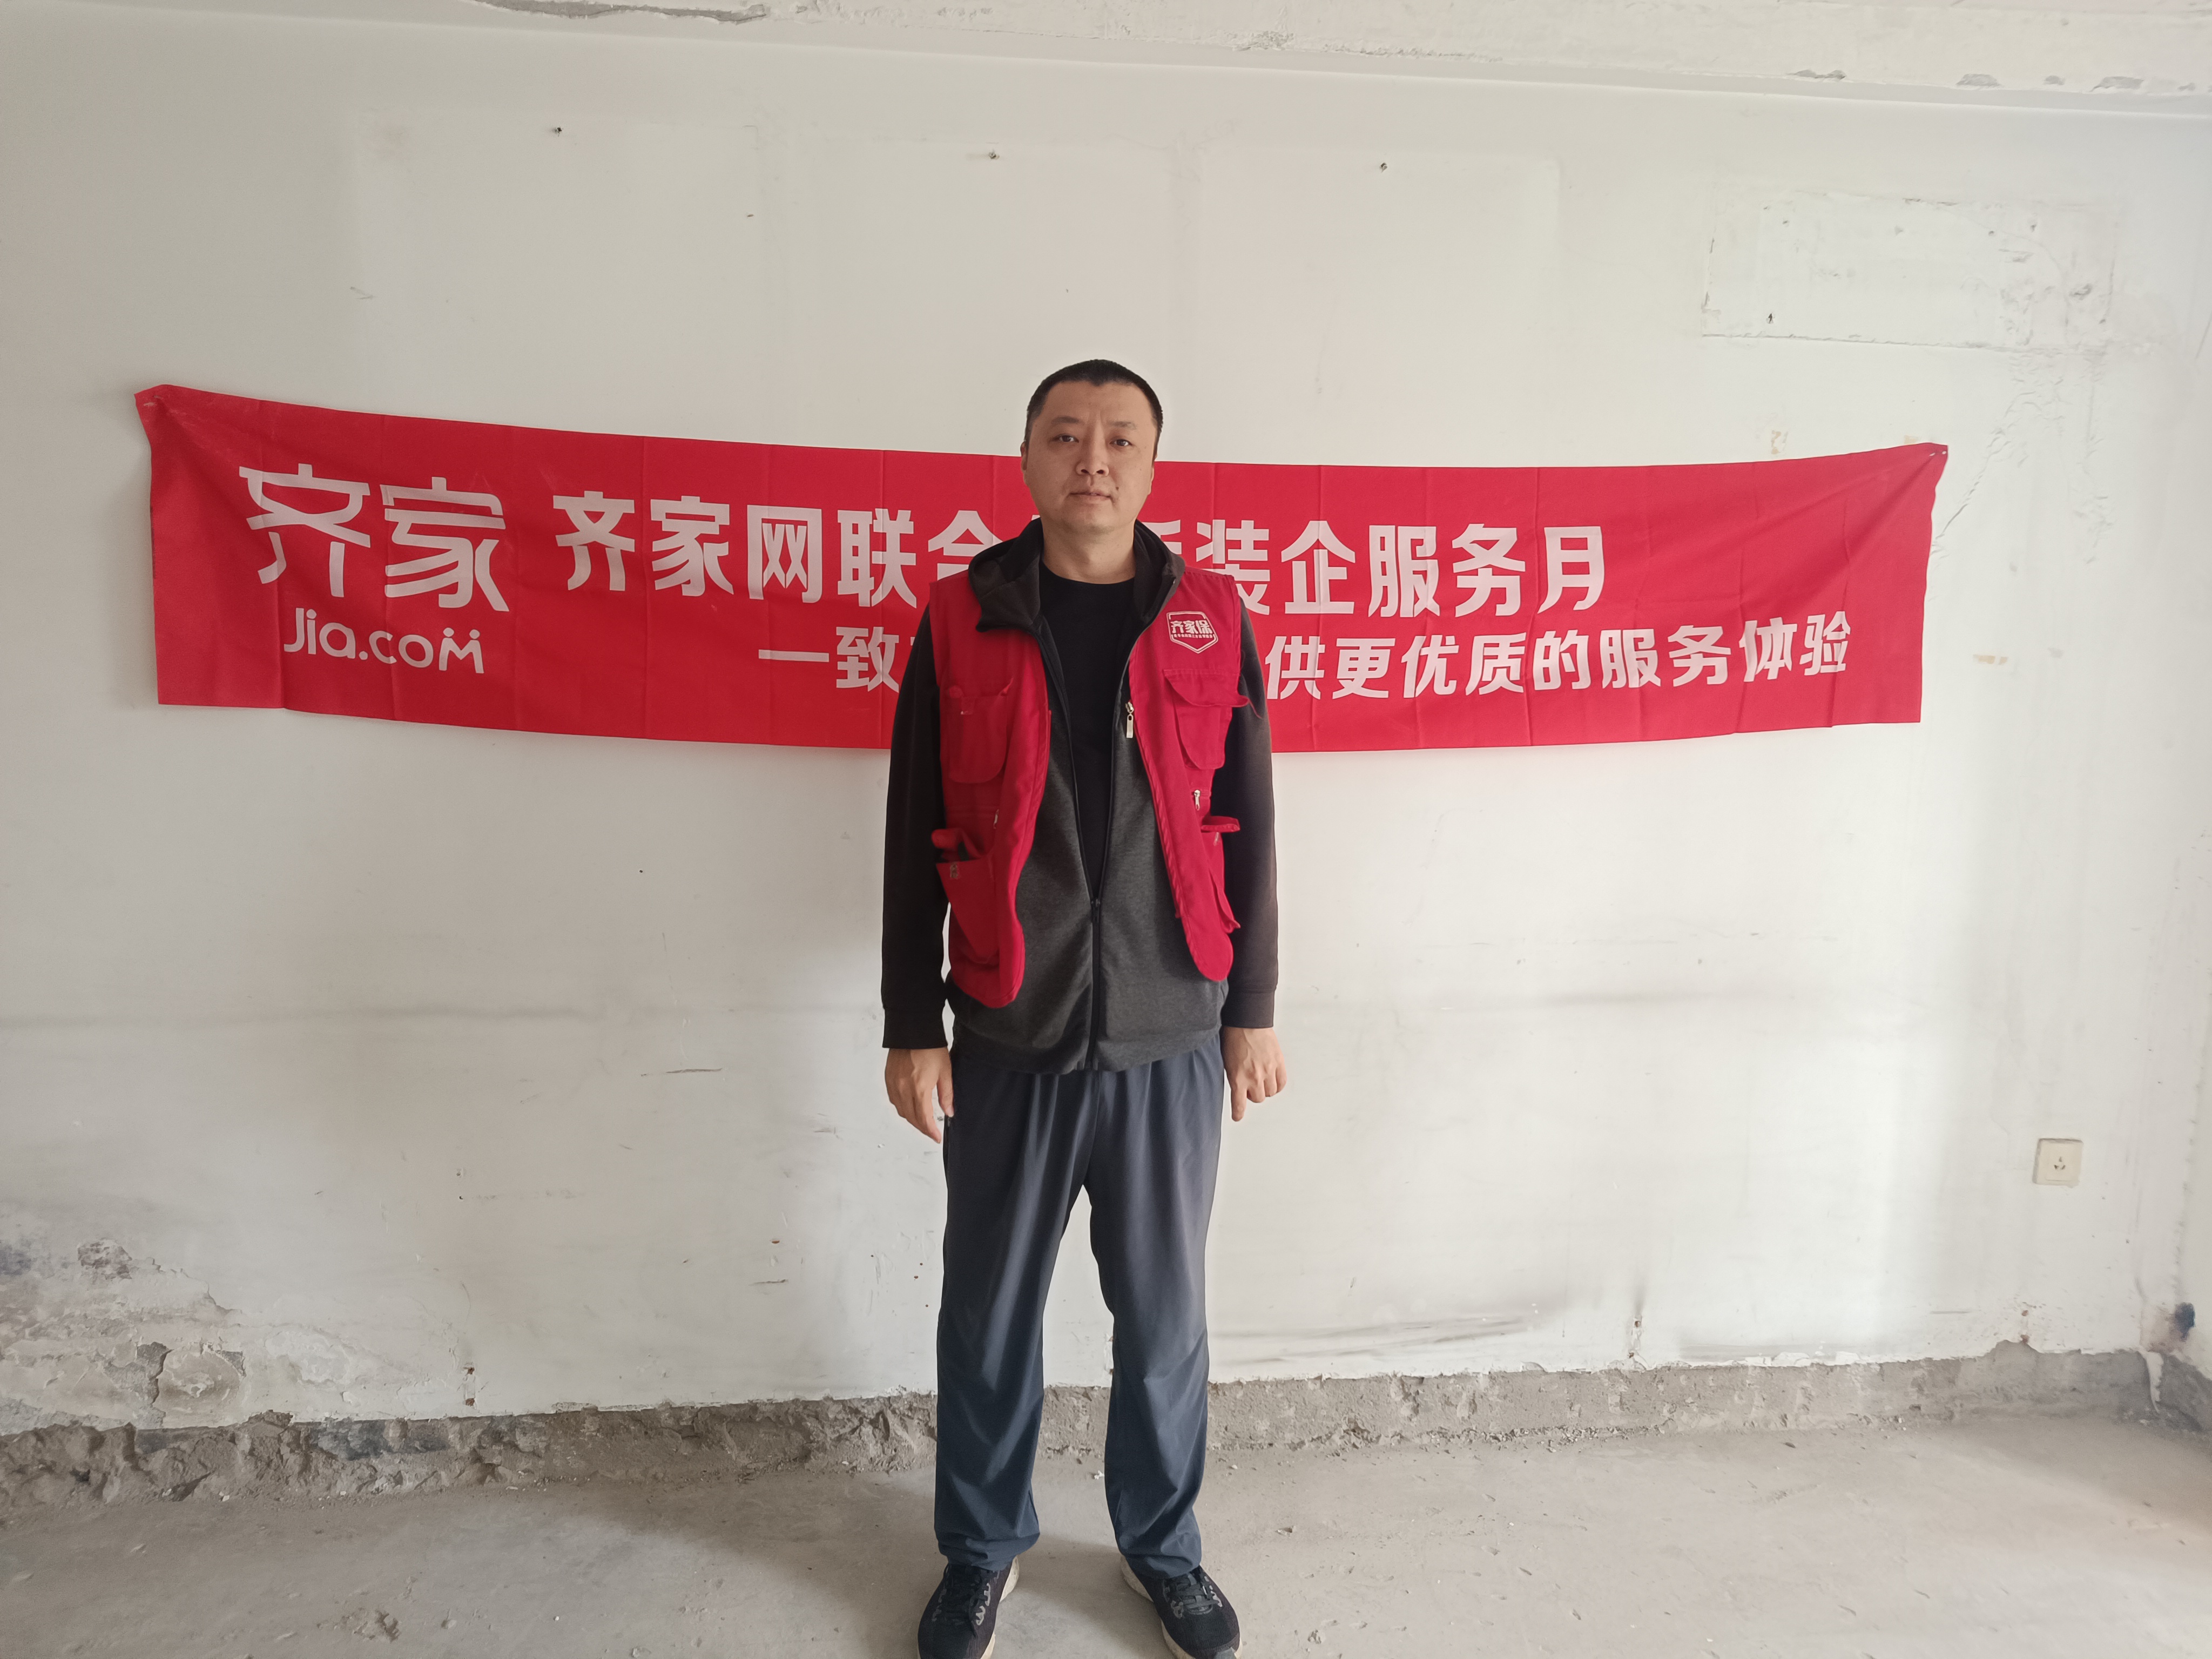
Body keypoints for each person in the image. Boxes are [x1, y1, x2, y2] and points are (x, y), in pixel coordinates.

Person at [882, 360, 1286, 1659]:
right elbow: (911, 825)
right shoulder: (960, 618)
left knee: (1163, 1322)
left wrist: (1252, 1005)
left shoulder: (1209, 619)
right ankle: (979, 1552)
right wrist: (911, 1021)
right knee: (987, 1316)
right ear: (1026, 459)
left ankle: (1162, 1549)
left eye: (1119, 438)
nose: (1092, 458)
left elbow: (1248, 820)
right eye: (1065, 435)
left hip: (1172, 1034)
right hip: (1008, 1029)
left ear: (1152, 466)